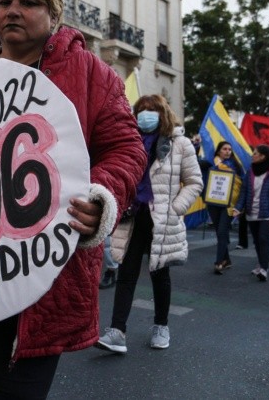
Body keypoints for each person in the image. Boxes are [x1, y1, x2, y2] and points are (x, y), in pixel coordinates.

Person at [0, 0, 145, 399]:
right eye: (4, 2)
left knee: (14, 385)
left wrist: (99, 196)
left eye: (29, 2)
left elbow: (127, 150)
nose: (14, 11)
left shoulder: (92, 73)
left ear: (54, 12)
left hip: (48, 266)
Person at [96, 94, 203, 353]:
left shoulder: (180, 144)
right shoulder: (129, 142)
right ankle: (117, 331)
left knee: (160, 274)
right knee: (127, 273)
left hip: (161, 219)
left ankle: (161, 326)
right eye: (141, 110)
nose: (146, 114)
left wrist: (174, 209)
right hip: (132, 216)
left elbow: (194, 182)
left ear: (163, 113)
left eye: (152, 110)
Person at [231, 145, 269, 281]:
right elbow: (244, 191)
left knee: (263, 238)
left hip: (267, 213)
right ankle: (260, 264)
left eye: (254, 153)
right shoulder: (250, 171)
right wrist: (238, 207)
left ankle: (264, 269)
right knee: (257, 240)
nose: (252, 155)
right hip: (251, 212)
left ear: (262, 156)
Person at [206, 141, 244, 274]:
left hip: (229, 204)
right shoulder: (211, 164)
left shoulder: (236, 167)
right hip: (213, 203)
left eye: (229, 149)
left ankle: (219, 262)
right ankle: (226, 260)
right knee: (219, 233)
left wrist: (239, 206)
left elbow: (242, 187)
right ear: (218, 151)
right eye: (224, 149)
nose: (228, 151)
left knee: (222, 231)